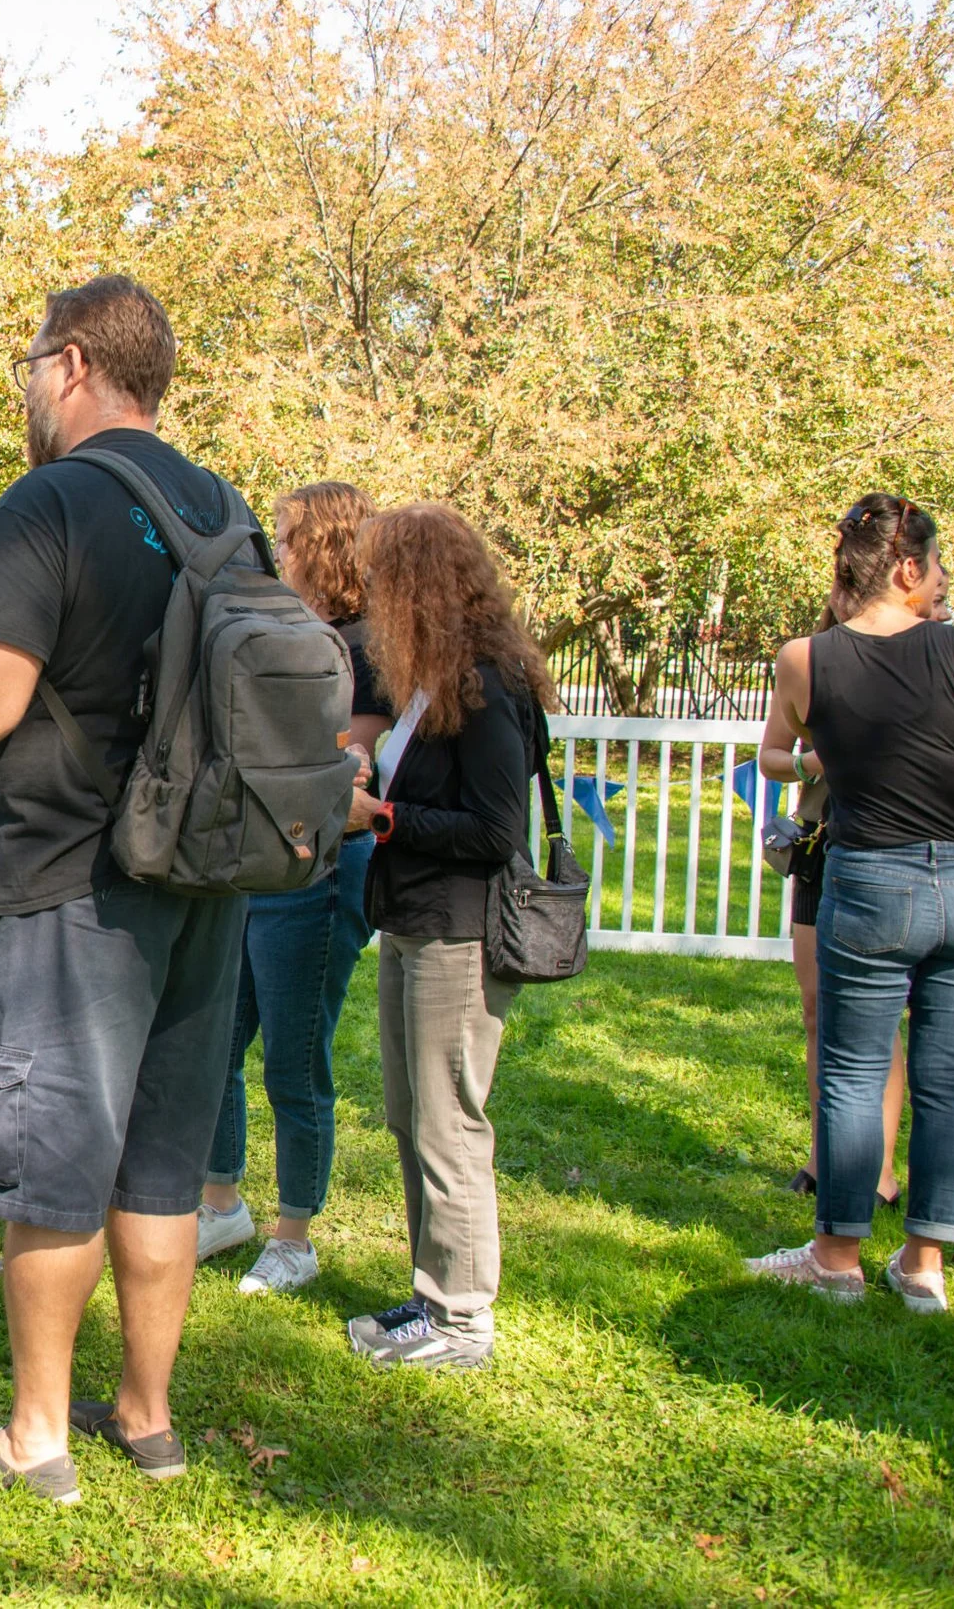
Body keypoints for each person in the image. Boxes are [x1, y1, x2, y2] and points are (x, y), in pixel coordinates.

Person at [0, 276, 245, 1504]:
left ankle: (36, 1437)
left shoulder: (47, 501)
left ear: (69, 365)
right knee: (160, 1163)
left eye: (28, 366)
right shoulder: (222, 506)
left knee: (53, 1161)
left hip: (72, 880)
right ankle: (149, 1420)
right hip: (207, 873)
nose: (25, 391)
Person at [746, 494, 954, 1313]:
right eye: (934, 569)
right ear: (906, 569)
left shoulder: (806, 659)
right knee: (948, 1081)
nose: (940, 584)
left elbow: (781, 748)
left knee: (855, 1073)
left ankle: (836, 1262)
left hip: (873, 883)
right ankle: (923, 1266)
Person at [345, 502, 556, 1372]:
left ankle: (464, 1320)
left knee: (449, 1126)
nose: (369, 595)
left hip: (460, 933)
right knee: (411, 1117)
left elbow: (496, 830)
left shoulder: (487, 686)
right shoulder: (432, 680)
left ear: (419, 585)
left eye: (383, 578)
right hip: (411, 920)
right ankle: (431, 1294)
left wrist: (383, 819)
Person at [199, 482, 394, 1293]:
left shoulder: (368, 646)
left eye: (285, 537)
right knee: (215, 1040)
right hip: (263, 861)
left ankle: (295, 1236)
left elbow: (351, 762)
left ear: (324, 543)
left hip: (318, 870)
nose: (277, 551)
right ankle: (221, 1203)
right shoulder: (291, 628)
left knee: (292, 1056)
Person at [760, 582, 953, 1207]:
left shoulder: (933, 661)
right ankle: (825, 1155)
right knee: (818, 1011)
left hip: (889, 851)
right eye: (844, 593)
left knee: (879, 1018)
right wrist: (811, 764)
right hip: (820, 845)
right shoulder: (811, 663)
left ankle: (880, 1171)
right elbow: (770, 756)